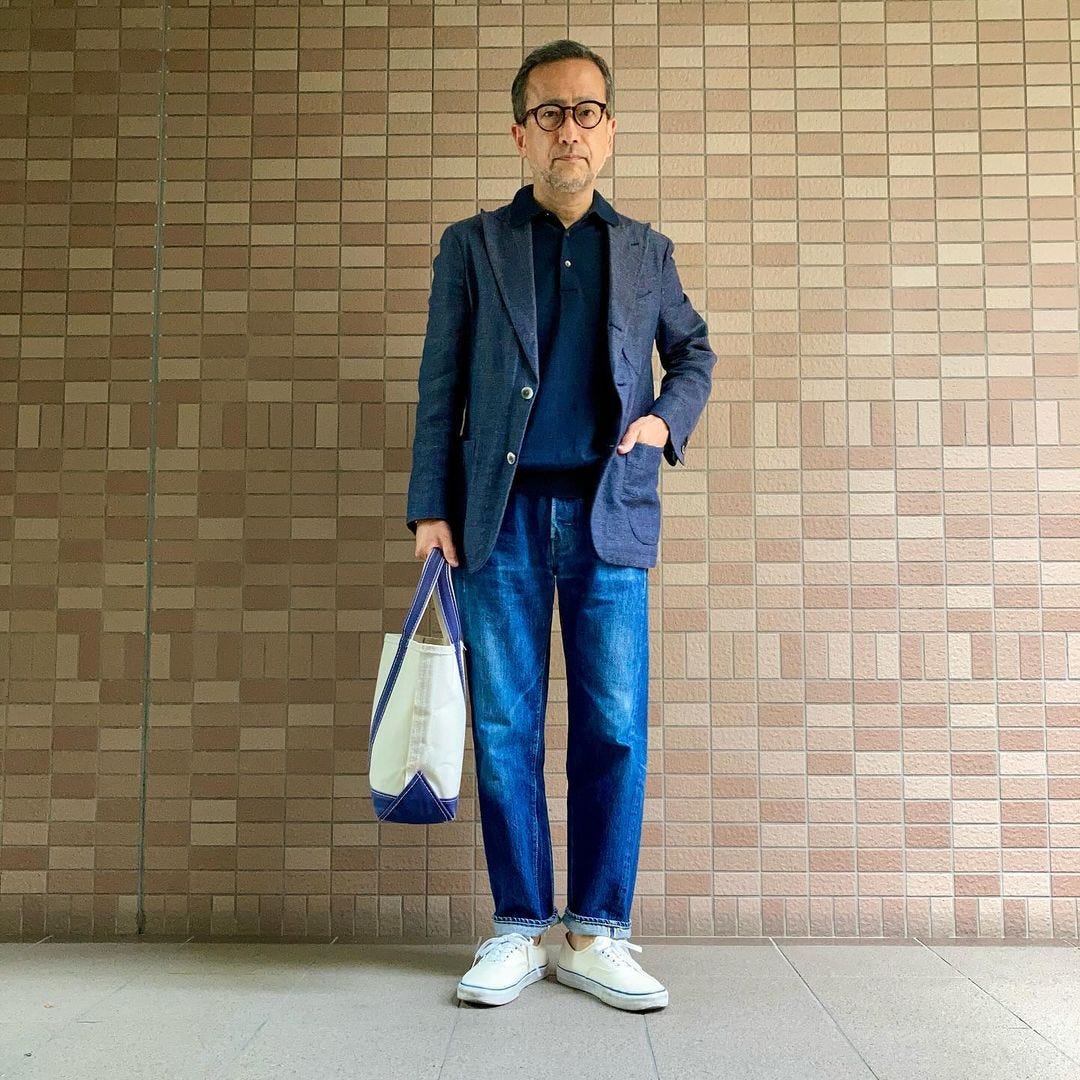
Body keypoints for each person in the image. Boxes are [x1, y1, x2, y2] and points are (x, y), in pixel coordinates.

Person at [405, 39, 715, 1011]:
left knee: (613, 727)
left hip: (606, 519)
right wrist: (428, 508)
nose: (568, 128)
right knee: (504, 727)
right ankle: (519, 927)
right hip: (494, 522)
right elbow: (440, 383)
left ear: (609, 132)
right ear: (520, 133)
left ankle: (598, 931)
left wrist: (668, 421)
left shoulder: (646, 251)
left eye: (586, 111)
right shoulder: (473, 246)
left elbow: (695, 352)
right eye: (550, 112)